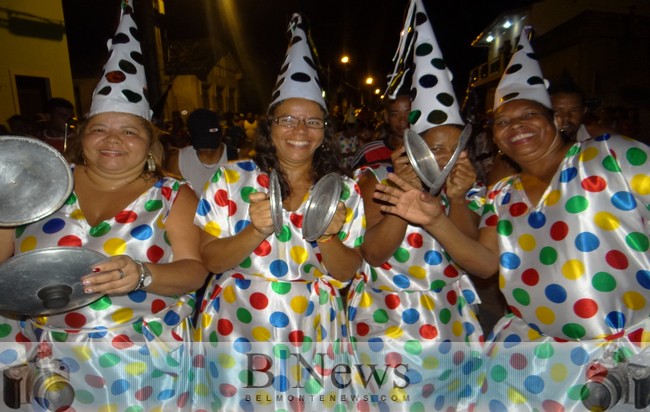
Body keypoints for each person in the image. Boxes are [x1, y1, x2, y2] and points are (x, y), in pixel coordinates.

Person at [373, 27, 650, 411]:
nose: (515, 126)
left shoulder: (612, 157)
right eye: (502, 122)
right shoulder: (502, 195)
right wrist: (436, 220)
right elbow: (486, 265)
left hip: (622, 358)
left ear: (556, 120)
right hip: (529, 357)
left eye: (528, 114)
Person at [0, 4, 207, 410]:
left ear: (150, 143)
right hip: (47, 358)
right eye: (100, 128)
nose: (113, 140)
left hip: (142, 362)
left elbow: (194, 272)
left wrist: (142, 275)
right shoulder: (38, 183)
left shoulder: (173, 195)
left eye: (129, 131)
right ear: (82, 136)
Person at [192, 13, 365, 411]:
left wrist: (328, 237)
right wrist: (254, 231)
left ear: (325, 131)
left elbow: (347, 271)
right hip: (237, 323)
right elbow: (210, 260)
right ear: (268, 126)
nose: (299, 130)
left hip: (313, 323)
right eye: (287, 119)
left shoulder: (344, 189)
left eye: (312, 121)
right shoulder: (231, 179)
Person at [348, 4, 484, 408]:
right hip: (387, 319)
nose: (443, 157)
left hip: (451, 319)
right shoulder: (374, 180)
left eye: (454, 147)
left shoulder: (470, 192)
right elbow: (373, 253)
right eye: (434, 146)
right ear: (412, 144)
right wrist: (399, 199)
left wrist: (456, 200)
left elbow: (472, 257)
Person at [165, 108, 238, 197]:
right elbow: (171, 199)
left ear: (222, 132)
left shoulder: (238, 159)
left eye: (211, 140)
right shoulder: (178, 161)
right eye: (202, 141)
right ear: (189, 134)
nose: (208, 150)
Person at [351, 92, 410, 170]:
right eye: (394, 114)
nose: (402, 121)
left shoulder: (429, 151)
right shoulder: (368, 152)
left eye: (409, 113)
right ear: (386, 117)